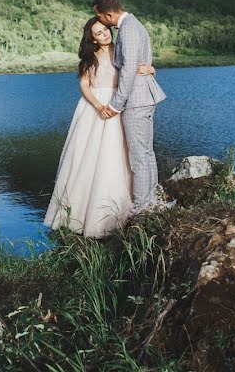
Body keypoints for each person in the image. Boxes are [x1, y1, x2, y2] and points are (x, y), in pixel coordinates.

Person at [43, 17, 156, 238]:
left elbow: (137, 70)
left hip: (120, 102)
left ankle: (126, 209)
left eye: (105, 29)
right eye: (98, 32)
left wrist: (151, 69)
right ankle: (80, 216)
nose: (104, 34)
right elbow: (84, 85)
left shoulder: (121, 50)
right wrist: (98, 106)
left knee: (120, 155)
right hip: (96, 106)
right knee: (89, 157)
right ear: (91, 38)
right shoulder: (89, 57)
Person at [94, 0, 167, 213]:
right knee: (145, 152)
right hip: (141, 97)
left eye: (99, 17)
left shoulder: (129, 30)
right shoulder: (131, 26)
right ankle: (152, 200)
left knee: (139, 156)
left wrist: (116, 104)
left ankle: (143, 207)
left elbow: (128, 71)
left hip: (136, 100)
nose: (100, 21)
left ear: (108, 14)